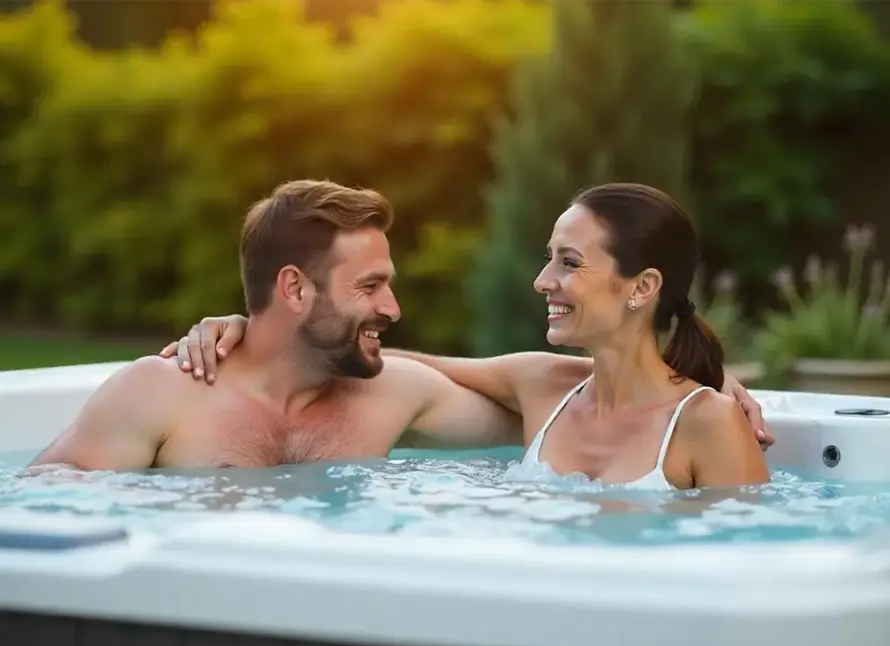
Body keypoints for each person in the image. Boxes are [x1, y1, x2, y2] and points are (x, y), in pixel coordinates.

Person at [162, 183, 773, 489]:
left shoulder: (707, 423)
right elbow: (386, 359)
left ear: (642, 287)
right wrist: (258, 332)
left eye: (568, 262)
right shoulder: (540, 388)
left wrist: (707, 384)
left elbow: (748, 578)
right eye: (549, 258)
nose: (542, 281)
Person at [29, 179, 523, 471]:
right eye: (369, 286)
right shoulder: (161, 393)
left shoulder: (397, 393)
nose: (393, 309)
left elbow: (554, 423)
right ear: (295, 290)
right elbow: (40, 515)